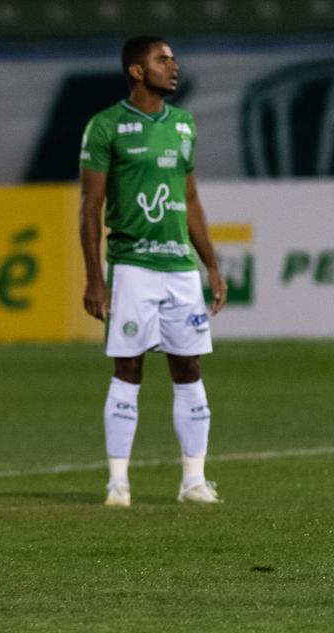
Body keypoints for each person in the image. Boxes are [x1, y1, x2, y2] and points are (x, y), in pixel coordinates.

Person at [79, 35, 228, 507]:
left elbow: (190, 200)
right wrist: (95, 277)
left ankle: (194, 482)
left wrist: (212, 266)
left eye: (174, 58)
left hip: (180, 269)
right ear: (137, 72)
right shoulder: (105, 127)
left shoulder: (183, 126)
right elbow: (90, 207)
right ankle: (118, 484)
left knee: (189, 366)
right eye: (162, 59)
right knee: (129, 366)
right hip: (132, 267)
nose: (174, 66)